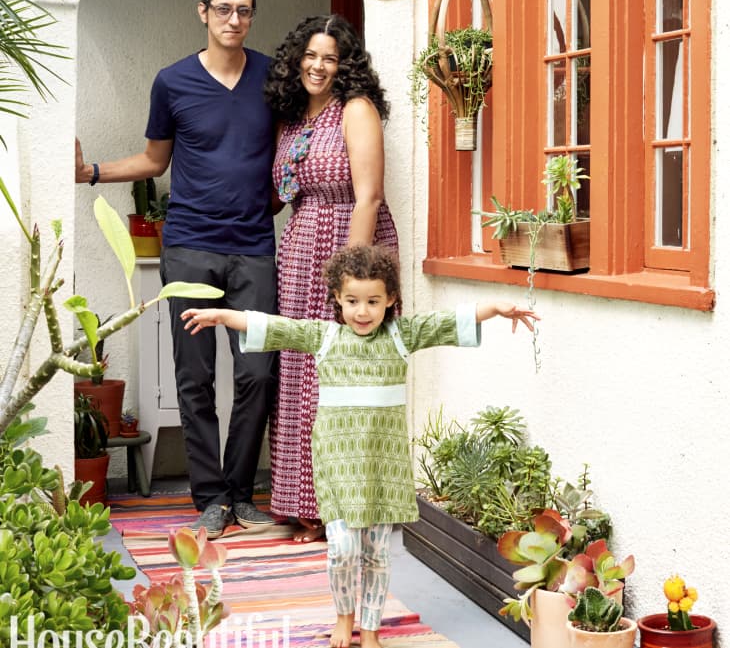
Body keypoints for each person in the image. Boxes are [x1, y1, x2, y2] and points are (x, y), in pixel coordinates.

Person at [181, 243, 539, 648]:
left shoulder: (402, 336)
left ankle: (369, 630)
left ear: (390, 300)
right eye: (352, 301)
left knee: (376, 554)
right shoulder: (326, 336)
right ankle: (343, 617)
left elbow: (448, 322)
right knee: (343, 550)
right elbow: (275, 326)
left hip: (383, 468)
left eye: (373, 301)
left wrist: (497, 307)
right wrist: (220, 315)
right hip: (338, 465)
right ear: (337, 297)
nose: (362, 311)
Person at [75, 0, 279, 538]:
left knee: (257, 375)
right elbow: (153, 161)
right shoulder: (173, 82)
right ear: (203, 12)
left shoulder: (272, 77)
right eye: (223, 9)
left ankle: (242, 494)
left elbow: (290, 151)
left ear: (251, 14)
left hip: (255, 250)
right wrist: (91, 171)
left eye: (243, 10)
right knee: (194, 378)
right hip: (189, 248)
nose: (233, 19)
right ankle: (211, 497)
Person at [262, 14, 398, 543]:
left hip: (345, 243)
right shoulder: (293, 118)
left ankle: (337, 502)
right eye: (311, 56)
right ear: (297, 59)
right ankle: (302, 503)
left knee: (338, 378)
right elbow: (285, 192)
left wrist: (352, 280)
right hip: (299, 246)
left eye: (331, 58)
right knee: (300, 373)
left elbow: (368, 196)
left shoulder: (355, 110)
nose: (319, 66)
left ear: (345, 66)